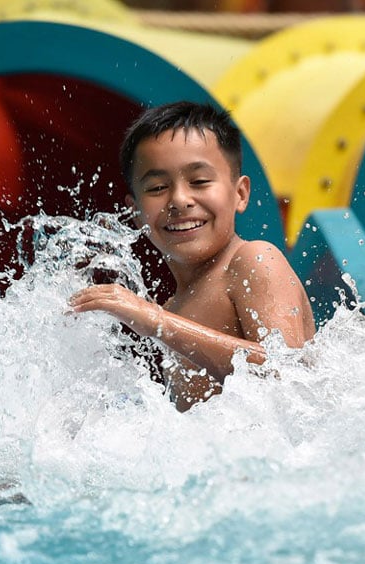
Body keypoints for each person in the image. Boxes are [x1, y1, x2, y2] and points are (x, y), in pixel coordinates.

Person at [69, 102, 316, 412]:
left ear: (240, 194)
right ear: (134, 212)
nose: (179, 200)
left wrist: (156, 322)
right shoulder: (175, 307)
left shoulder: (253, 259)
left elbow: (289, 374)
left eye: (199, 182)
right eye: (158, 187)